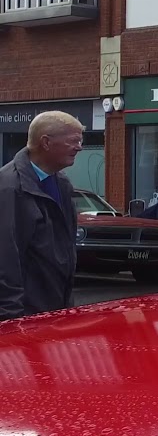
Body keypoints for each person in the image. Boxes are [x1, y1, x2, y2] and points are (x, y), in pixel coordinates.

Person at [0, 112, 84, 320]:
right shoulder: (10, 188)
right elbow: (6, 259)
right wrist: (11, 319)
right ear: (46, 142)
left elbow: (64, 252)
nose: (79, 147)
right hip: (23, 317)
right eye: (74, 141)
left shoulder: (62, 184)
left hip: (55, 313)